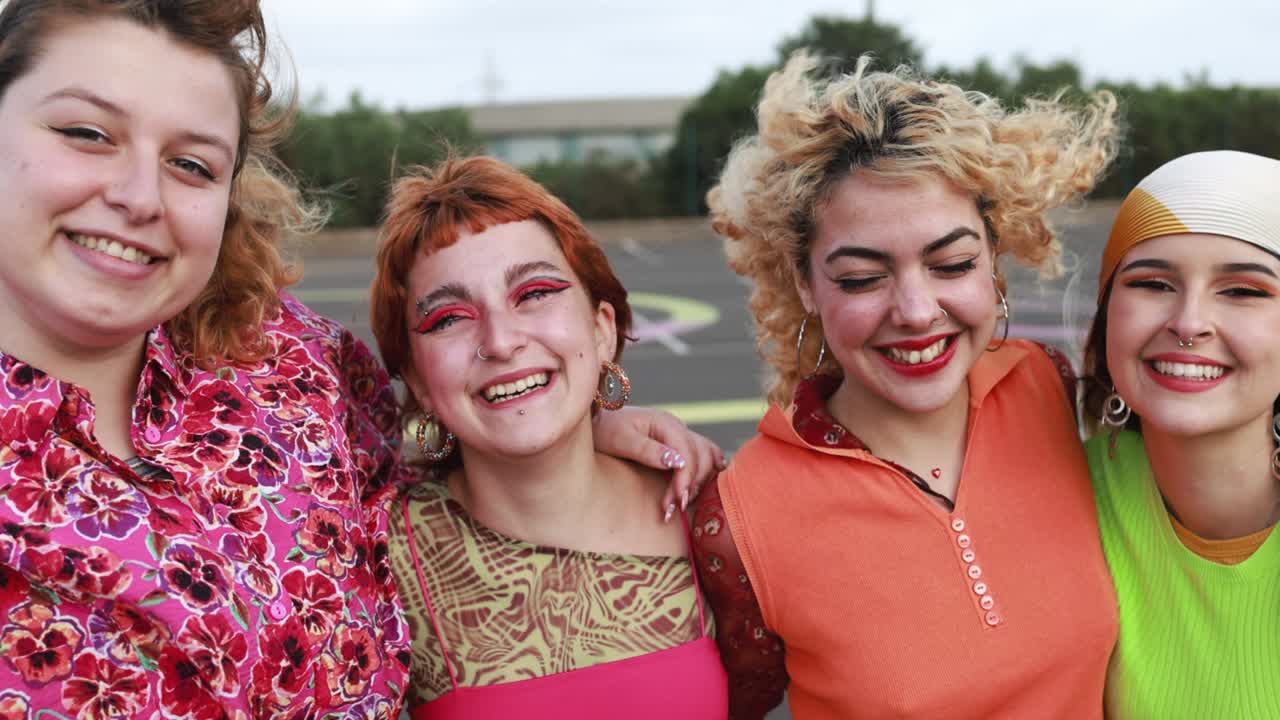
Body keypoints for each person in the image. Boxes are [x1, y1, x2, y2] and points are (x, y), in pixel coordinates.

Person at [0, 1, 719, 716]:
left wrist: (583, 430)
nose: (137, 198)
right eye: (87, 133)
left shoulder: (289, 365)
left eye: (191, 164)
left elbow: (462, 431)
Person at [691, 52, 1121, 718]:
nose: (917, 311)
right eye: (862, 277)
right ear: (804, 283)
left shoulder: (1049, 386)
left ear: (994, 259)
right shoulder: (739, 515)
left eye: (952, 263)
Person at [369, 155, 729, 718]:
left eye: (534, 293)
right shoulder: (377, 558)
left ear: (602, 329)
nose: (501, 340)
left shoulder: (712, 512)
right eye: (448, 319)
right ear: (416, 378)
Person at [1081, 150, 1280, 718]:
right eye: (1152, 283)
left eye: (1244, 291)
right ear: (1106, 315)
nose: (1189, 322)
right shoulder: (1056, 492)